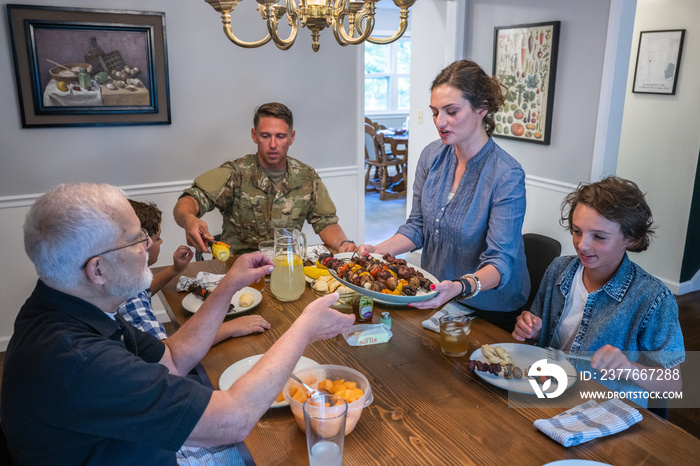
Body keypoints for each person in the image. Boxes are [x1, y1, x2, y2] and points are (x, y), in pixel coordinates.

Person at [1, 183, 355, 465]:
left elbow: (171, 358)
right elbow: (233, 421)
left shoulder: (72, 308)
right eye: (138, 239)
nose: (149, 247)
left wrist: (229, 283)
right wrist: (305, 327)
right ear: (97, 270)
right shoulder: (79, 360)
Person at [358, 60, 529, 330]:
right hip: (439, 296)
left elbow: (501, 261)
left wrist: (462, 286)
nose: (440, 122)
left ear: (482, 109)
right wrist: (376, 252)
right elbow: (417, 227)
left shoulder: (506, 175)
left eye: (451, 111)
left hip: (490, 309)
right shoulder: (431, 156)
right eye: (435, 112)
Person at [512, 176, 684, 406]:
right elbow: (538, 337)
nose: (582, 245)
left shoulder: (653, 298)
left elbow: (673, 383)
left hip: (605, 410)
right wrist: (530, 330)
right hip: (548, 394)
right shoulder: (558, 270)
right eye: (576, 231)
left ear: (630, 239)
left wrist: (628, 368)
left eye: (599, 237)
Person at [174, 102, 355, 255]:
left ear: (291, 137)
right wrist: (189, 219)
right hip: (237, 272)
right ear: (254, 135)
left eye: (281, 136)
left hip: (286, 267)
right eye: (265, 136)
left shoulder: (307, 177)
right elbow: (190, 200)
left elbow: (326, 222)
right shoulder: (235, 173)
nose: (273, 144)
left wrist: (343, 244)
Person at [118, 199, 270, 342]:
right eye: (157, 238)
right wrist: (231, 327)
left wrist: (175, 269)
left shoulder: (121, 282)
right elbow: (165, 353)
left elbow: (142, 290)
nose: (161, 241)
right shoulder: (132, 302)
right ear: (141, 243)